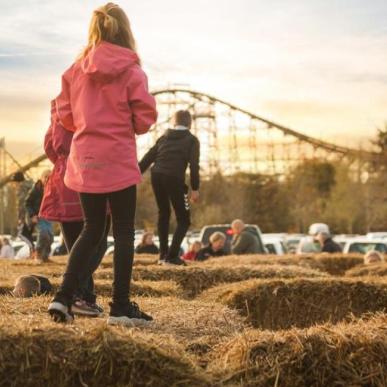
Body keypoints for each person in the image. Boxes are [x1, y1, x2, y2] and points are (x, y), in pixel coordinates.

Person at [47, 3, 157, 326]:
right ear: (125, 31)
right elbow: (145, 119)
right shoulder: (132, 70)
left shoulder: (74, 71)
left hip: (85, 161)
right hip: (118, 159)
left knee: (92, 229)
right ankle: (120, 307)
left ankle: (63, 297)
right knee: (123, 232)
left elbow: (65, 116)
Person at [40, 100, 111, 317]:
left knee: (76, 248)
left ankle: (85, 298)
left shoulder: (58, 109)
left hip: (63, 180)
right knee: (97, 241)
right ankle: (72, 294)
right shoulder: (90, 104)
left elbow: (49, 145)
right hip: (89, 174)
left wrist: (62, 162)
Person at [139, 110, 200, 266]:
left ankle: (162, 255)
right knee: (184, 220)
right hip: (174, 178)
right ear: (190, 123)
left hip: (156, 175)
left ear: (174, 122)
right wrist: (195, 188)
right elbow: (194, 166)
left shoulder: (164, 137)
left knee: (164, 213)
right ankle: (172, 257)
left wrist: (135, 174)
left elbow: (148, 157)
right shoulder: (192, 140)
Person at [25, 169, 54, 262]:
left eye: (49, 177)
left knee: (50, 237)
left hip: (48, 216)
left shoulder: (53, 188)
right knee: (43, 233)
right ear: (41, 178)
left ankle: (45, 256)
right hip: (37, 216)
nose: (47, 179)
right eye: (45, 177)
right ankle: (37, 253)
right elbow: (27, 203)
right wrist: (32, 215)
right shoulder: (36, 188)